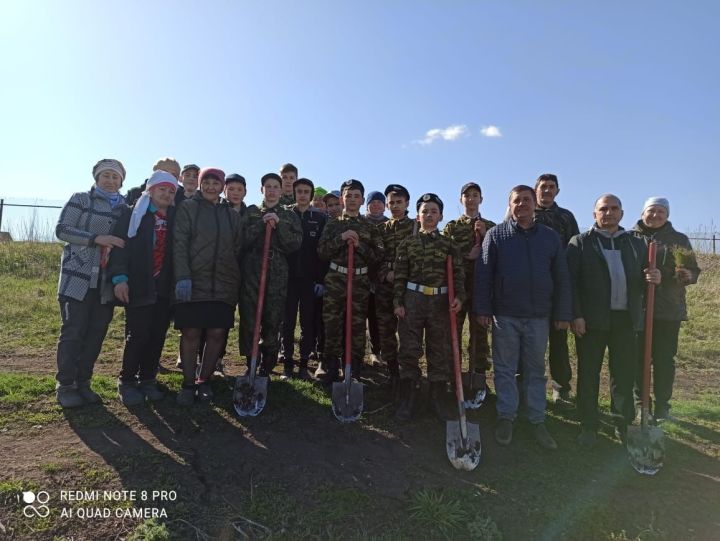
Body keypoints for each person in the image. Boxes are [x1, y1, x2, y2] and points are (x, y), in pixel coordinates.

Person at [475, 185, 572, 450]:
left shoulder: (550, 238)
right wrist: (483, 309)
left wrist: (563, 312)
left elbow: (562, 277)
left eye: (526, 200)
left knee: (535, 370)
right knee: (504, 369)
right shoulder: (496, 235)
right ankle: (506, 416)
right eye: (516, 201)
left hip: (539, 315)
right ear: (510, 205)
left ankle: (537, 419)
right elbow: (483, 274)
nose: (522, 205)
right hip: (505, 315)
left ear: (534, 204)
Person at [567, 194, 661, 448]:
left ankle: (621, 423)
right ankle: (588, 425)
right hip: (591, 320)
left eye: (613, 209)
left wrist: (654, 276)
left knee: (623, 374)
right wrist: (576, 314)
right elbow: (571, 283)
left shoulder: (635, 243)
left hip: (625, 320)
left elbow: (645, 278)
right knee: (588, 374)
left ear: (621, 213)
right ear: (594, 214)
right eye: (603, 209)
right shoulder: (580, 243)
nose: (608, 213)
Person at [54, 158, 127, 408]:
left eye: (115, 177)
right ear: (96, 178)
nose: (110, 180)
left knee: (96, 334)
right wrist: (97, 238)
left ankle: (84, 383)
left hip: (105, 283)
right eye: (106, 175)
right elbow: (62, 229)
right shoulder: (81, 199)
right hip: (77, 278)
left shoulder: (124, 208)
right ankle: (65, 385)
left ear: (121, 181)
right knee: (73, 332)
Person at [173, 167, 243, 405]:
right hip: (194, 281)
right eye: (207, 182)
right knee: (191, 332)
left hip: (224, 284)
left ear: (222, 186)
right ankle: (188, 383)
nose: (211, 187)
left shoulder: (231, 215)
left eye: (216, 183)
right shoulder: (188, 208)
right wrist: (183, 275)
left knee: (216, 333)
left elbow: (238, 248)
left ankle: (205, 381)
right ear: (201, 184)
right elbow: (180, 243)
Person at [109, 171, 178, 405]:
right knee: (138, 334)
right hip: (139, 284)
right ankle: (127, 381)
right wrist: (120, 278)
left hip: (164, 287)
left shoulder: (175, 218)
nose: (167, 194)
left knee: (157, 335)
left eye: (171, 191)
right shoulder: (133, 214)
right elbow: (120, 248)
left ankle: (148, 379)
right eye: (162, 189)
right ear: (150, 190)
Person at [393, 193, 463, 421]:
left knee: (438, 350)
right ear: (417, 216)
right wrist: (398, 302)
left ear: (441, 216)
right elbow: (400, 276)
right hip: (413, 300)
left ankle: (437, 398)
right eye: (425, 211)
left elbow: (459, 276)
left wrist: (459, 298)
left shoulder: (449, 245)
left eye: (433, 211)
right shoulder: (407, 244)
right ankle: (408, 398)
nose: (429, 215)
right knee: (409, 348)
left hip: (439, 303)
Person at [632, 197, 700, 421]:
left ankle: (663, 405)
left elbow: (691, 273)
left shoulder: (678, 240)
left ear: (667, 215)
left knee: (663, 359)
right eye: (651, 211)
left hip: (668, 310)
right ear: (643, 213)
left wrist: (669, 276)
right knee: (639, 358)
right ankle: (642, 403)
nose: (655, 215)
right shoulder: (630, 237)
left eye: (661, 211)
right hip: (637, 309)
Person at [316, 179, 384, 383]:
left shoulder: (369, 227)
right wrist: (342, 238)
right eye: (348, 196)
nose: (352, 199)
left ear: (362, 200)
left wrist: (360, 245)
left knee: (356, 325)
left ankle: (353, 367)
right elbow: (321, 252)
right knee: (332, 322)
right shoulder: (334, 224)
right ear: (342, 199)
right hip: (337, 278)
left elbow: (379, 255)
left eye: (356, 196)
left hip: (360, 280)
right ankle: (331, 366)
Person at [240, 173, 302, 377]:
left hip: (277, 269)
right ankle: (251, 360)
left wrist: (279, 225)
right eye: (268, 186)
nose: (272, 190)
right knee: (250, 317)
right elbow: (241, 240)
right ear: (262, 189)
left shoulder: (289, 214)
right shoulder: (251, 212)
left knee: (272, 317)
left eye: (276, 186)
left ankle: (267, 363)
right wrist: (261, 224)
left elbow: (295, 243)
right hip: (253, 268)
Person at [442, 182, 496, 393]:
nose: (471, 199)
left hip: (481, 289)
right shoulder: (452, 227)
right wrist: (467, 256)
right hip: (457, 288)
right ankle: (450, 377)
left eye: (475, 195)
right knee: (451, 332)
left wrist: (484, 236)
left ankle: (478, 377)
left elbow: (497, 257)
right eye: (467, 195)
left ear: (481, 199)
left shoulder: (491, 226)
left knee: (480, 335)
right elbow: (444, 254)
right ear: (461, 199)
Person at [533, 173, 580, 404]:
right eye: (543, 187)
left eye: (552, 187)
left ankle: (561, 389)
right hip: (531, 289)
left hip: (558, 287)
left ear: (557, 191)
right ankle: (531, 388)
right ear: (536, 190)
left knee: (559, 342)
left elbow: (574, 252)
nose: (547, 191)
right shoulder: (526, 214)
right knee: (532, 343)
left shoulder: (565, 217)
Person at [280, 178, 327, 379]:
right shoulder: (285, 214)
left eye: (306, 192)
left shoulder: (320, 217)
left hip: (310, 280)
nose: (302, 195)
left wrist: (321, 280)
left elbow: (323, 253)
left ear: (311, 195)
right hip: (288, 279)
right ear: (294, 192)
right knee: (287, 323)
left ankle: (304, 364)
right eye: (299, 191)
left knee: (308, 324)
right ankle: (288, 364)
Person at [376, 184, 415, 393]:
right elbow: (375, 256)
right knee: (386, 330)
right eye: (391, 202)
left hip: (408, 287)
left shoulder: (416, 227)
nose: (395, 206)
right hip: (386, 285)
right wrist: (385, 272)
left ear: (407, 203)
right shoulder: (382, 229)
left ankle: (409, 374)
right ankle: (392, 373)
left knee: (408, 331)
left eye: (399, 202)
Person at [364, 190, 388, 366]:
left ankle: (376, 352)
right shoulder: (361, 221)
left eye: (380, 202)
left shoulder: (388, 224)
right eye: (373, 202)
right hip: (361, 276)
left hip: (381, 278)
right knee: (358, 316)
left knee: (376, 316)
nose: (376, 205)